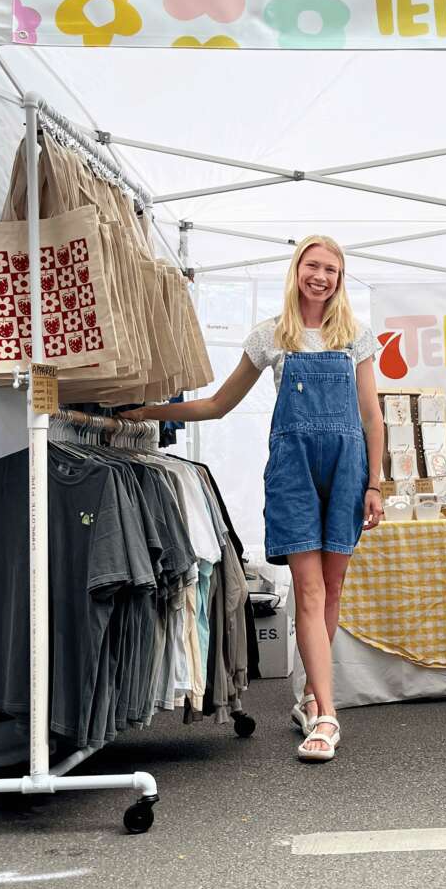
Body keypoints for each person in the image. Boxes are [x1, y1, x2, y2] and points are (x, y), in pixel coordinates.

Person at [125, 235, 384, 762]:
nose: (321, 277)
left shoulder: (356, 336)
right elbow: (218, 404)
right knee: (309, 589)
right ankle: (327, 716)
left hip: (348, 469)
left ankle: (310, 697)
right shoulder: (270, 336)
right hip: (293, 472)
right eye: (313, 266)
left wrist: (375, 483)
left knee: (332, 590)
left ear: (340, 279)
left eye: (331, 270)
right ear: (297, 270)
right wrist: (147, 412)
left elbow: (372, 416)